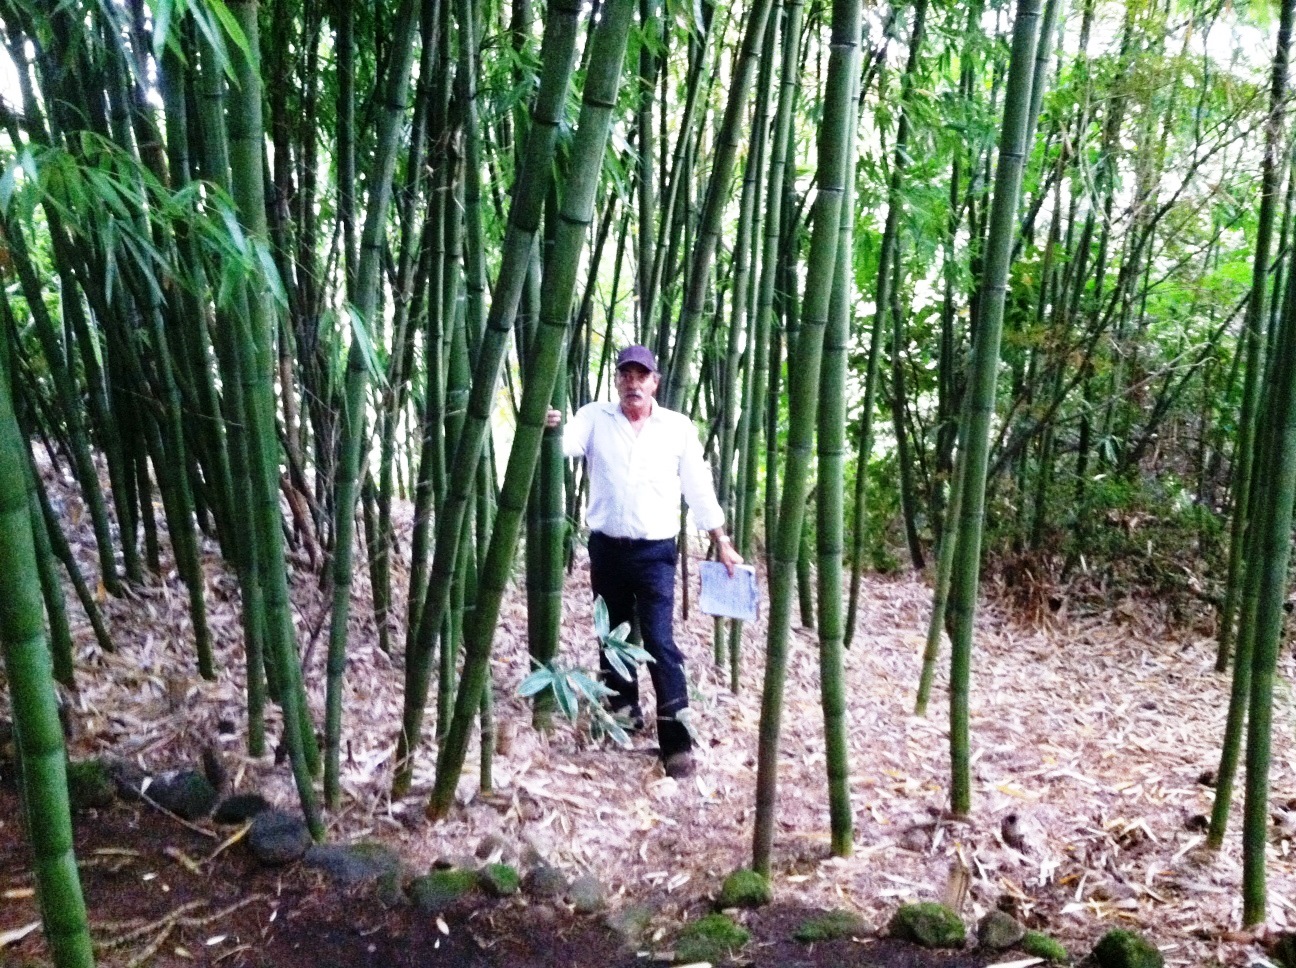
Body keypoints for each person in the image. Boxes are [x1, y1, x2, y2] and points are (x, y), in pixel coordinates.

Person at [545, 345, 743, 779]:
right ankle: (623, 711)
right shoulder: (595, 416)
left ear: (655, 382)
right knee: (612, 635)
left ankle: (676, 741)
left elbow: (698, 485)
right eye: (626, 375)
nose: (633, 382)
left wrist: (721, 540)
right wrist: (548, 422)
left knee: (658, 640)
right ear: (618, 380)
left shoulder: (677, 427)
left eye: (642, 375)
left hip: (655, 552)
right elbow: (565, 446)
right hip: (607, 547)